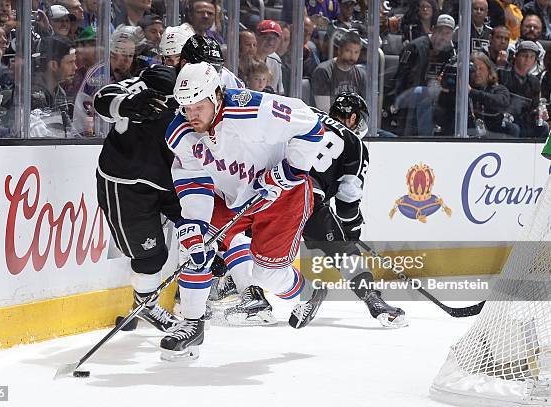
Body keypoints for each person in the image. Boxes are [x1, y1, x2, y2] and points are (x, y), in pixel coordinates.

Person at [162, 62, 324, 360]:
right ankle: (192, 326)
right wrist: (194, 224)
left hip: (282, 197)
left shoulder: (252, 108)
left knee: (266, 276)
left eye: (197, 105)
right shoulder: (180, 132)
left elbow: (311, 123)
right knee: (194, 245)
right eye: (185, 107)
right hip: (233, 196)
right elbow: (194, 180)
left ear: (216, 96)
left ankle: (309, 292)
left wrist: (290, 170)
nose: (191, 115)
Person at [291, 92, 407, 329]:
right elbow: (347, 202)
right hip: (308, 198)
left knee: (250, 240)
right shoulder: (355, 143)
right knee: (342, 249)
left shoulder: (308, 115)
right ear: (352, 118)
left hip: (272, 188)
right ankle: (374, 302)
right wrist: (351, 229)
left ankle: (246, 292)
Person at [93, 64, 182, 333]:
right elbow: (103, 99)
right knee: (150, 256)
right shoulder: (139, 88)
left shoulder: (187, 90)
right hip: (128, 185)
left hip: (167, 179)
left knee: (200, 228)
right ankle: (146, 305)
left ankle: (193, 297)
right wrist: (126, 105)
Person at [393, 14, 456, 137]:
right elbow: (401, 81)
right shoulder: (414, 47)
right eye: (440, 31)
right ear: (432, 29)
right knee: (423, 93)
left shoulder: (451, 52)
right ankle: (426, 138)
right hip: (409, 98)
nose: (443, 37)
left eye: (447, 33)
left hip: (438, 100)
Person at [499, 40, 549, 138]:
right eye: (524, 55)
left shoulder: (534, 82)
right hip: (503, 119)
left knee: (544, 126)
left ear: (535, 61)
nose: (527, 59)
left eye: (532, 57)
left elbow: (533, 109)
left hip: (523, 120)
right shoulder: (503, 75)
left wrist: (539, 113)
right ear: (516, 56)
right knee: (514, 128)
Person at [30, 35, 77, 137]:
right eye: (70, 62)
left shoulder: (59, 92)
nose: (75, 67)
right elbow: (46, 136)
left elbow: (68, 131)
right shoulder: (34, 92)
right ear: (53, 65)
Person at [311, 30, 366, 113]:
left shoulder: (361, 74)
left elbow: (364, 107)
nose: (352, 56)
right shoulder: (323, 71)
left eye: (356, 52)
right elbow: (323, 110)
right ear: (339, 50)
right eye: (348, 51)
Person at [178, 34, 244, 89]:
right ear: (184, 65)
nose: (212, 75)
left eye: (216, 69)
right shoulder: (169, 82)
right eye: (205, 69)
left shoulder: (226, 78)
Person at [255, 19, 283, 95]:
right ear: (256, 37)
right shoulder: (247, 57)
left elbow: (278, 93)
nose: (270, 42)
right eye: (265, 37)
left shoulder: (275, 60)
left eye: (274, 38)